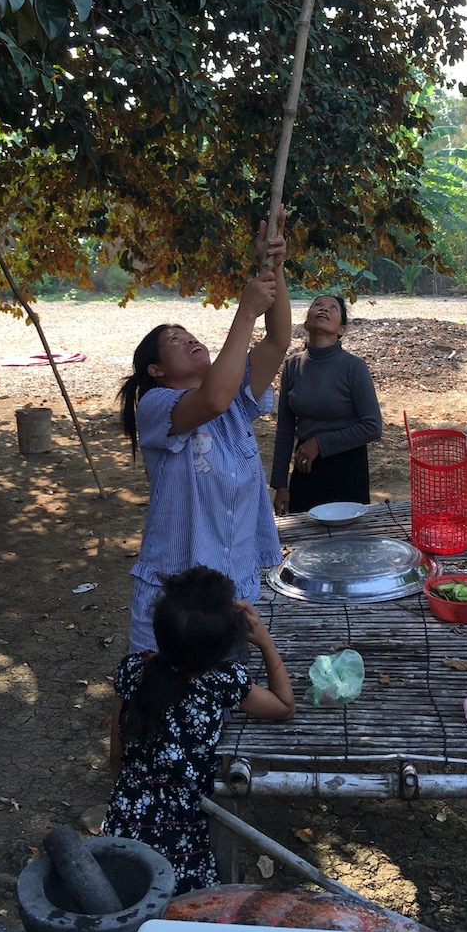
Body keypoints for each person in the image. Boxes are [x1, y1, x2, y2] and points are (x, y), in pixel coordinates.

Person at [119, 212, 290, 652]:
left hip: (229, 589)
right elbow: (210, 399)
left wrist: (276, 266)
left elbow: (277, 343)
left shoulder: (233, 395)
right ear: (156, 370)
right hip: (173, 595)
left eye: (191, 333)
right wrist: (246, 311)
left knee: (221, 700)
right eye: (176, 340)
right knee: (154, 696)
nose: (191, 339)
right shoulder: (156, 406)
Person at [102, 565, 295, 894]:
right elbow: (284, 706)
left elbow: (116, 757)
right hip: (187, 844)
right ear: (222, 647)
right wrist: (265, 642)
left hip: (122, 828)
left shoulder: (131, 669)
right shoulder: (224, 681)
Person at [270, 293, 382, 514]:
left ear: (341, 329)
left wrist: (320, 443)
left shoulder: (354, 368)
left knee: (346, 543)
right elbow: (284, 429)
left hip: (347, 468)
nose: (324, 309)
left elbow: (372, 426)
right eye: (318, 305)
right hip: (305, 468)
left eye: (333, 308)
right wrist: (280, 484)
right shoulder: (292, 366)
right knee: (304, 541)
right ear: (306, 322)